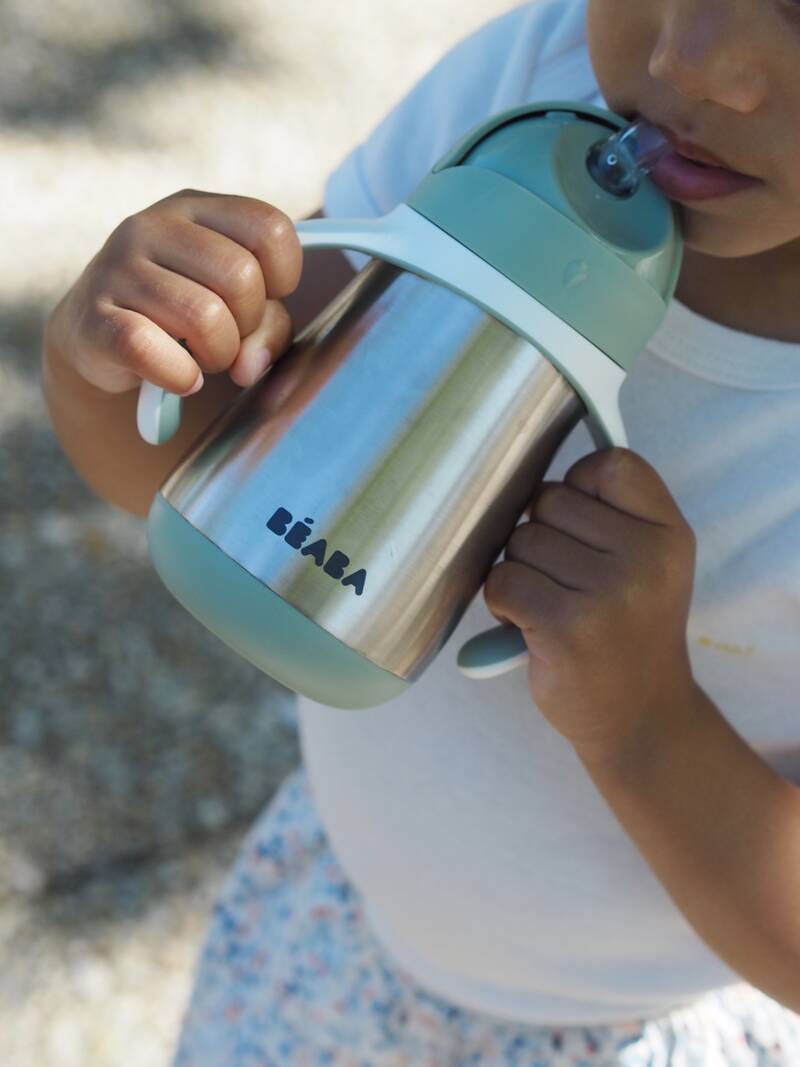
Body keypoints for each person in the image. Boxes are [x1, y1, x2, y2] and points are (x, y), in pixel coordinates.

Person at [40, 0, 800, 1062]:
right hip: (325, 940)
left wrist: (643, 724)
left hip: (625, 1034)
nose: (695, 59)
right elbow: (184, 464)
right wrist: (120, 352)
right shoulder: (535, 86)